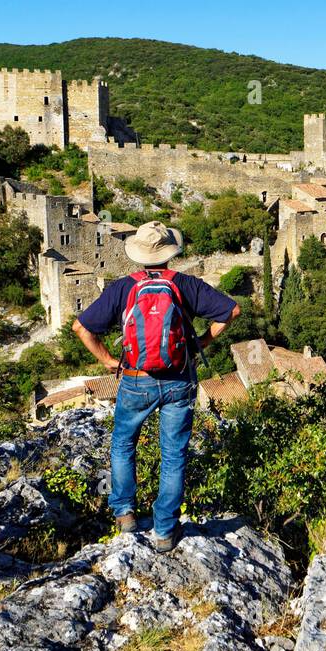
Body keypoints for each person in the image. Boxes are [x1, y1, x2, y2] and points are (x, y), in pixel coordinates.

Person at [71, 221, 240, 551]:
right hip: (179, 380)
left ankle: (124, 514)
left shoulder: (122, 287)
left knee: (123, 444)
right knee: (173, 454)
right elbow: (231, 310)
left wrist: (108, 360)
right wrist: (201, 343)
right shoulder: (185, 284)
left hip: (135, 380)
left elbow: (81, 328)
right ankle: (164, 530)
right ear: (169, 255)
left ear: (139, 255)